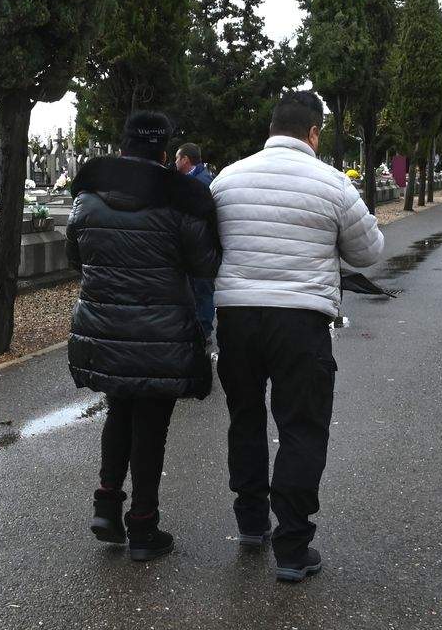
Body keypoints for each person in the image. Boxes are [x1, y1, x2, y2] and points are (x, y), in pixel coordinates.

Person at [210, 91, 384, 583]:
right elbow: (368, 251)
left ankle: (249, 520)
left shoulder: (228, 178)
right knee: (301, 426)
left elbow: (212, 242)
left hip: (238, 316)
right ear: (314, 133)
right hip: (301, 320)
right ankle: (292, 543)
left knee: (245, 417)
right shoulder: (331, 183)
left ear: (270, 128)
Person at [67, 110, 221, 562]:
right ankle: (144, 525)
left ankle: (106, 506)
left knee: (119, 409)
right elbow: (205, 265)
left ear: (123, 147)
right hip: (160, 331)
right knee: (151, 424)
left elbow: (75, 257)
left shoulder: (88, 199)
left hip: (104, 326)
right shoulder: (180, 201)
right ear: (163, 152)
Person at [174, 141, 216, 346]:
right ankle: (197, 327)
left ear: (185, 160)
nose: (174, 162)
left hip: (200, 247)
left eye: (177, 158)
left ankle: (204, 330)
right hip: (194, 246)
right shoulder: (193, 179)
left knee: (202, 289)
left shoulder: (201, 182)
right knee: (194, 289)